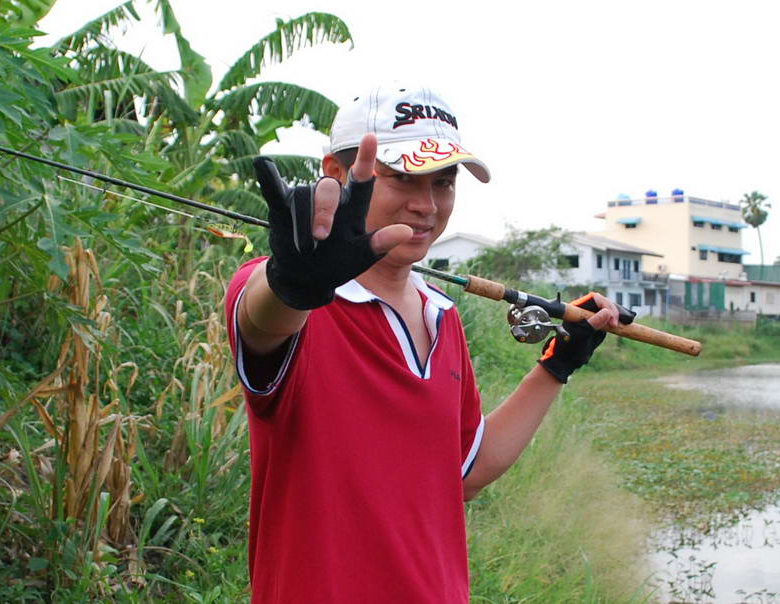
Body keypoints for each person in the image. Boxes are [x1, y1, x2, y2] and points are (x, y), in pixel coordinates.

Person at [225, 82, 621, 603]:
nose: (427, 206)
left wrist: (557, 365)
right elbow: (263, 319)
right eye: (403, 178)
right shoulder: (286, 296)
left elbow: (465, 472)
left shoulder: (444, 316)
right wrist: (291, 282)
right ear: (338, 174)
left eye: (444, 182)